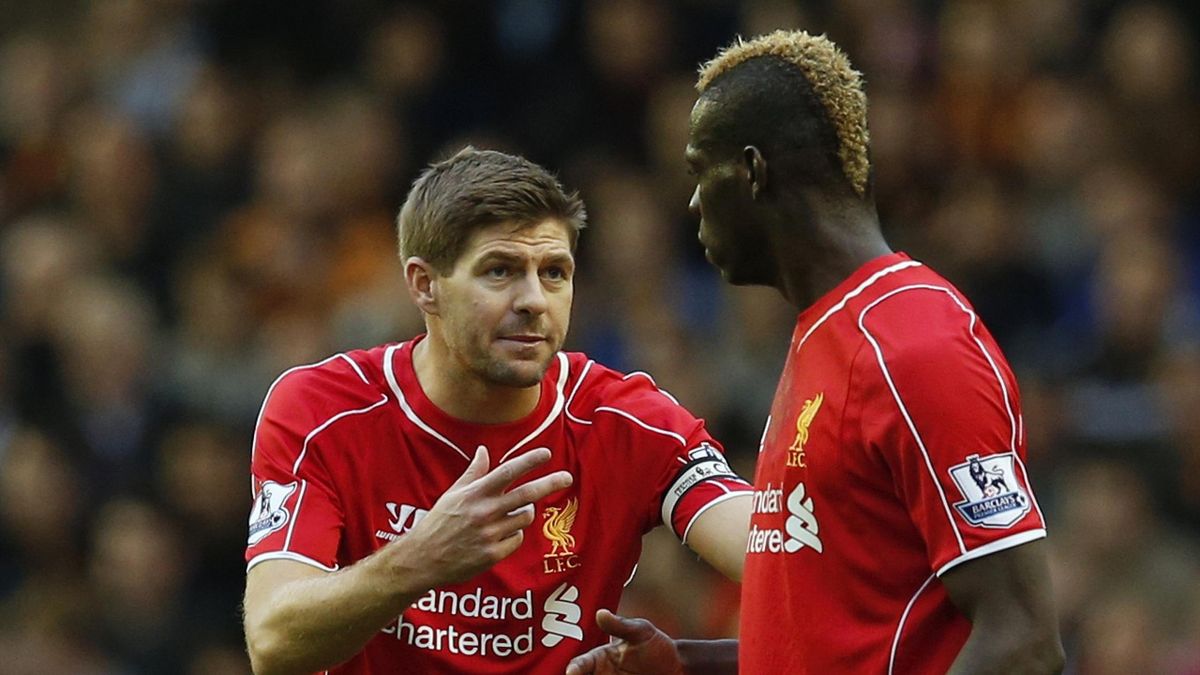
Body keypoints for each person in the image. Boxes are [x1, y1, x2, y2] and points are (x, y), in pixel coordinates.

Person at [568, 30, 1064, 674]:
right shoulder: (826, 334)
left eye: (699, 172)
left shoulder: (913, 344)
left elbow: (1023, 641)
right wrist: (690, 665)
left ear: (752, 172)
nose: (690, 202)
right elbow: (845, 641)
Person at [241, 147, 753, 675]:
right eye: (500, 270)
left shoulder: (624, 419)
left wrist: (695, 663)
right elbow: (273, 642)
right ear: (424, 285)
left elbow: (783, 560)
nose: (534, 299)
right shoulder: (323, 409)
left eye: (554, 272)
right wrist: (417, 561)